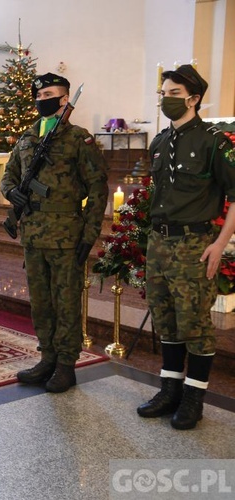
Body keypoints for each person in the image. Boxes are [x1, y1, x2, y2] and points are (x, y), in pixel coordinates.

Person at [137, 65, 235, 430]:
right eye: (163, 92)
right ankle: (170, 391)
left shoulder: (214, 141)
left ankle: (194, 399)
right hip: (159, 242)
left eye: (174, 93)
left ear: (194, 99)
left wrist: (220, 244)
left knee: (195, 324)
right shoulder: (160, 142)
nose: (166, 99)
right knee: (166, 320)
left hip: (194, 243)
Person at [0, 73, 109, 393]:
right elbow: (7, 177)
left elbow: (98, 189)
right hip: (33, 235)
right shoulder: (27, 137)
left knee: (66, 302)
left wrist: (90, 235)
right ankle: (47, 357)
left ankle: (65, 365)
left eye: (48, 93)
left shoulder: (79, 139)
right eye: (39, 93)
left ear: (65, 99)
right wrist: (12, 194)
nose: (41, 98)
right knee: (42, 302)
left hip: (66, 236)